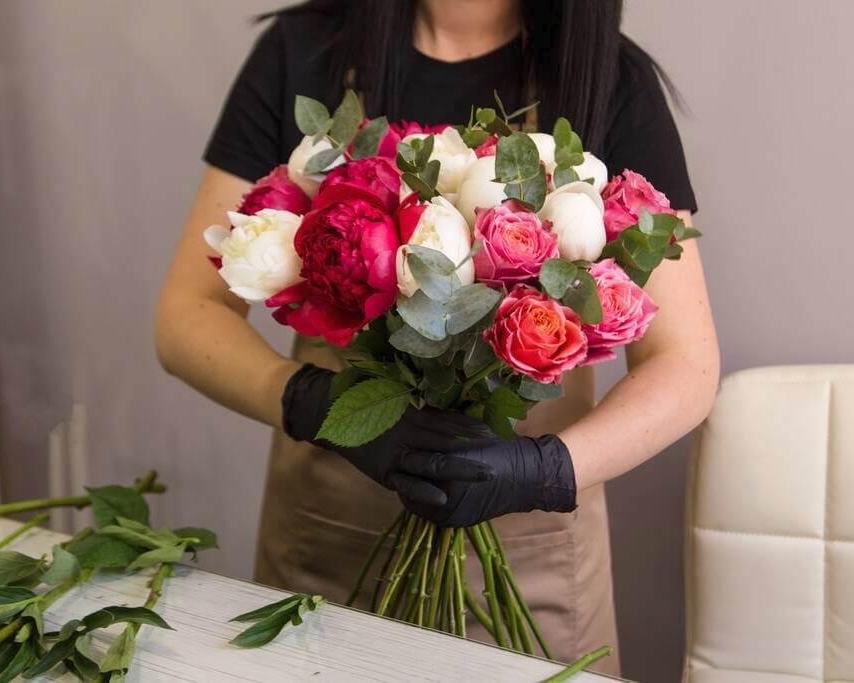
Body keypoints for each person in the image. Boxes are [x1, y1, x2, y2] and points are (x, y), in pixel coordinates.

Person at [155, 0, 720, 674]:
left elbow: (685, 363)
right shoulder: (304, 53)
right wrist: (313, 403)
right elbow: (187, 313)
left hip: (529, 564)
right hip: (328, 549)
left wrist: (544, 469)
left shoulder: (607, 80)